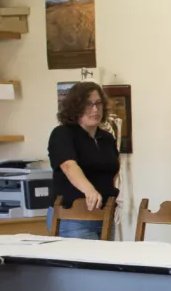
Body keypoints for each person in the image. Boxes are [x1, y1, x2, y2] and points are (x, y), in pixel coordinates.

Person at [47, 82, 120, 239]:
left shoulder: (106, 138)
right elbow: (68, 165)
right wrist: (90, 191)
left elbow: (112, 170)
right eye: (88, 104)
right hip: (74, 217)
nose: (95, 109)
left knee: (107, 262)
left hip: (104, 215)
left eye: (98, 103)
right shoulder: (63, 134)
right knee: (85, 263)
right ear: (76, 107)